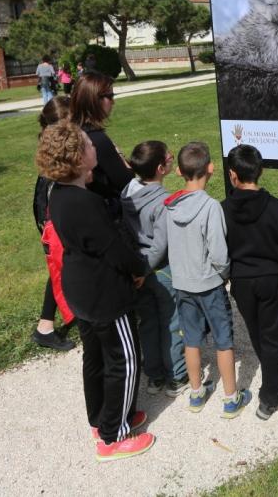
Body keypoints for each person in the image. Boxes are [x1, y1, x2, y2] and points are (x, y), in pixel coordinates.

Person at [37, 120, 155, 462]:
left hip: (80, 289)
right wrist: (139, 268)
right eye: (89, 145)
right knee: (126, 360)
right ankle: (112, 436)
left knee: (97, 356)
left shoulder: (58, 193)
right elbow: (113, 250)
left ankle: (102, 416)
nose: (96, 149)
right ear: (77, 157)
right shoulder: (84, 204)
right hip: (104, 294)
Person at [156, 141, 252, 418]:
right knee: (224, 340)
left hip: (183, 283)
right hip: (209, 283)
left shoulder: (170, 205)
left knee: (192, 340)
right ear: (210, 168)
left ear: (179, 171)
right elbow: (219, 252)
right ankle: (231, 398)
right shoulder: (211, 207)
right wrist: (223, 275)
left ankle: (196, 392)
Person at [222, 145, 278, 420]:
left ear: (232, 175)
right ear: (261, 170)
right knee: (274, 334)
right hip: (271, 279)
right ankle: (270, 396)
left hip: (242, 281)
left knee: (257, 330)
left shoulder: (223, 209)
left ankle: (274, 370)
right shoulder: (277, 208)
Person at [121, 140, 190, 398]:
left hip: (136, 268)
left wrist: (136, 269)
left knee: (147, 323)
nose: (173, 157)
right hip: (159, 270)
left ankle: (154, 375)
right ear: (161, 168)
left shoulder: (126, 193)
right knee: (172, 321)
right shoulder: (163, 201)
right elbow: (161, 245)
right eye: (169, 157)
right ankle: (177, 375)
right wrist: (146, 269)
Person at [30, 96, 76, 351]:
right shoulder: (57, 149)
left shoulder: (48, 145)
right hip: (53, 221)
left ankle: (45, 325)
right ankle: (44, 327)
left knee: (58, 268)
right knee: (61, 267)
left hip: (47, 218)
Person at [69, 71, 132, 211]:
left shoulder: (71, 131)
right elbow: (126, 182)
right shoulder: (96, 139)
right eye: (110, 96)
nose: (113, 101)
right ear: (94, 100)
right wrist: (122, 158)